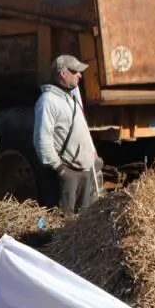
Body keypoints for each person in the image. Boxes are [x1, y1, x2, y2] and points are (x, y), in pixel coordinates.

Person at [34, 55, 102, 215]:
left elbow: (82, 128)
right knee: (65, 222)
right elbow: (42, 140)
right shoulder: (47, 101)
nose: (80, 75)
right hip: (68, 172)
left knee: (84, 221)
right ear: (63, 74)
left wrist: (93, 154)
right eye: (75, 71)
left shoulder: (71, 97)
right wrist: (59, 169)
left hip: (84, 170)